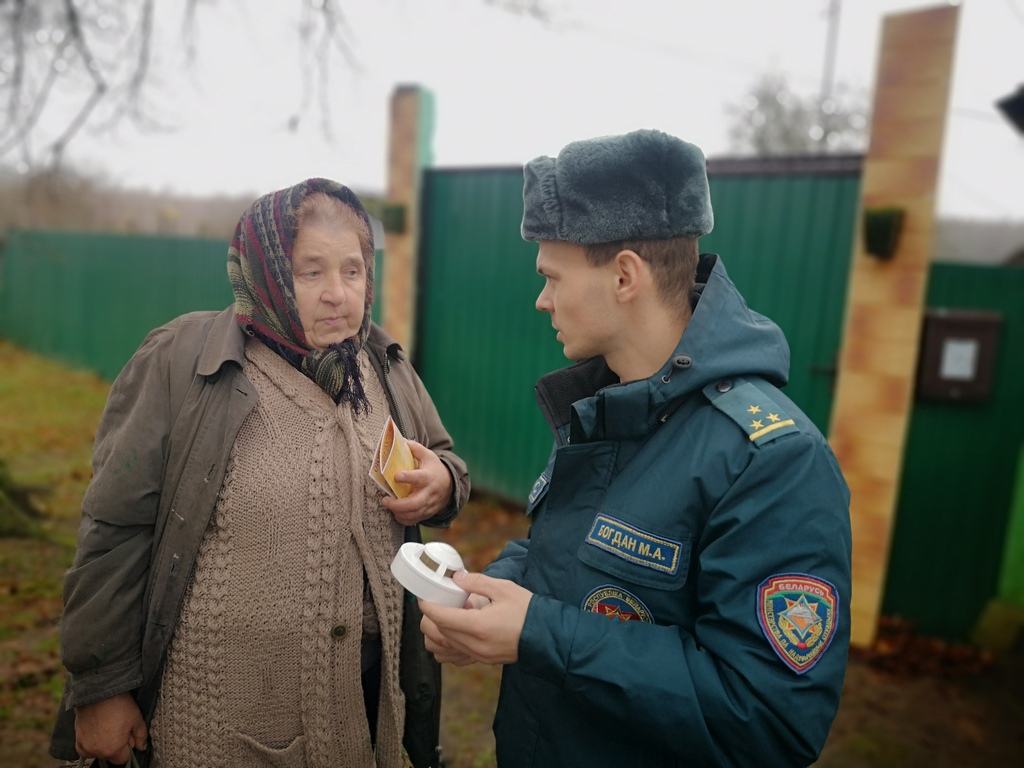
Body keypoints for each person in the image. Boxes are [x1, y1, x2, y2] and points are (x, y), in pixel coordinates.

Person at [418, 130, 852, 767]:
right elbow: (574, 563)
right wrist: (493, 594)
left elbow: (769, 719)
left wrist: (540, 633)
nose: (541, 300)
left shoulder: (772, 462)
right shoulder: (612, 404)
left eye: (552, 277)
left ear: (625, 276)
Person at [49, 178, 470, 768]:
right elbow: (115, 528)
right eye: (310, 272)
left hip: (366, 700)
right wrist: (100, 687)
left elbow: (445, 458)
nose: (336, 294)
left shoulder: (383, 366)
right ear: (266, 274)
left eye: (352, 271)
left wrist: (444, 484)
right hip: (223, 718)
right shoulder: (183, 360)